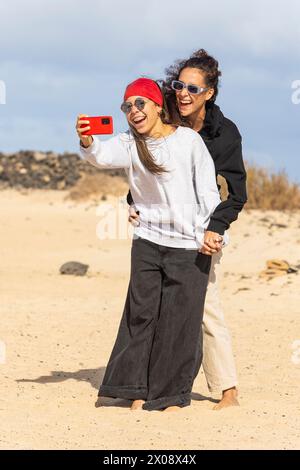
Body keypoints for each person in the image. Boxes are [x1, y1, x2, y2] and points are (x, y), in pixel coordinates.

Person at [76, 77, 226, 411]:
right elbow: (100, 155)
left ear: (158, 105)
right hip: (147, 239)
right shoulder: (129, 143)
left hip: (189, 243)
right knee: (140, 315)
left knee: (179, 320)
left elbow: (208, 191)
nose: (133, 111)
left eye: (140, 103)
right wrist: (87, 141)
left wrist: (213, 232)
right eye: (126, 106)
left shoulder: (187, 141)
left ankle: (170, 395)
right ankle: (133, 388)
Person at [127, 50, 247, 409]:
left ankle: (228, 391)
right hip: (159, 229)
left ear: (209, 93)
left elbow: (236, 193)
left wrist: (215, 229)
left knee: (205, 307)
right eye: (179, 85)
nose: (183, 94)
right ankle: (150, 386)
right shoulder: (163, 116)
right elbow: (143, 162)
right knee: (155, 307)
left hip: (201, 231)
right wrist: (132, 201)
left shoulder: (224, 134)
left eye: (193, 89)